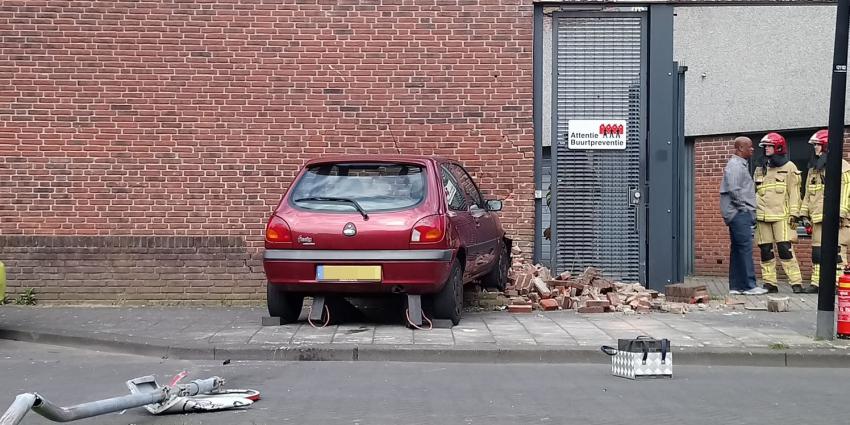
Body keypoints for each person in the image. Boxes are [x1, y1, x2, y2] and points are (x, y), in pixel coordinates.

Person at [799, 129, 850, 293]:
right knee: (818, 253)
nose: (815, 148)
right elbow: (808, 193)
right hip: (818, 218)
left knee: (837, 252)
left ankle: (837, 283)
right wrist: (803, 214)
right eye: (814, 145)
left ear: (827, 146)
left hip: (837, 219)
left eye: (818, 145)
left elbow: (846, 192)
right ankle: (817, 283)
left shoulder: (842, 167)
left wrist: (840, 214)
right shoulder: (814, 169)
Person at [754, 132, 803, 293]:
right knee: (765, 250)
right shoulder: (760, 169)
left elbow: (794, 193)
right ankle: (770, 283)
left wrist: (794, 214)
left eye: (769, 146)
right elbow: (755, 192)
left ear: (779, 147)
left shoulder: (789, 167)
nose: (766, 149)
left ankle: (796, 283)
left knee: (784, 249)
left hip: (782, 216)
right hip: (762, 217)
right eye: (765, 146)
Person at [720, 137, 766, 295]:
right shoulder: (735, 165)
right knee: (745, 248)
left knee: (737, 249)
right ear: (740, 148)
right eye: (749, 147)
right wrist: (744, 209)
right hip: (739, 214)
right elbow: (734, 189)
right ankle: (749, 286)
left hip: (737, 213)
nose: (752, 149)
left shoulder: (739, 165)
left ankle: (736, 286)